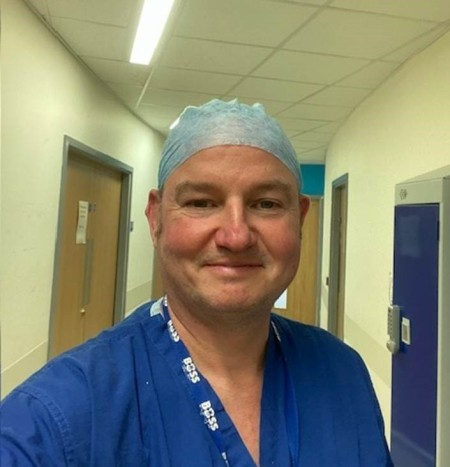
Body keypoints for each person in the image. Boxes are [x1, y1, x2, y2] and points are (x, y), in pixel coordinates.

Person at [1, 99, 393, 466]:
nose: (236, 236)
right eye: (201, 203)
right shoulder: (56, 416)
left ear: (300, 219)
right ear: (156, 219)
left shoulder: (343, 372)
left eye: (266, 204)